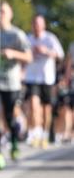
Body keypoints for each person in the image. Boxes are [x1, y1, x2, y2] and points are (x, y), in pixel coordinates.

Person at [0, 1, 32, 169]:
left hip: (11, 82)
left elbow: (29, 57)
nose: (1, 15)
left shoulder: (17, 34)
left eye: (4, 12)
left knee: (10, 118)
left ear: (10, 14)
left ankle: (14, 142)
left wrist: (13, 53)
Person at [24, 14, 64, 148]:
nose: (36, 27)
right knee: (33, 106)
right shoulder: (28, 39)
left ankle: (45, 134)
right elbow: (23, 56)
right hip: (31, 77)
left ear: (43, 26)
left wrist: (46, 51)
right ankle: (36, 132)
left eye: (39, 24)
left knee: (47, 110)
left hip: (47, 78)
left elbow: (60, 55)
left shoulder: (50, 38)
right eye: (34, 24)